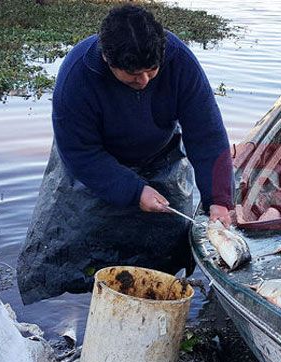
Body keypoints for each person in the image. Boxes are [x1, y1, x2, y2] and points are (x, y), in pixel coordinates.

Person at [16, 4, 233, 304]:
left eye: (151, 71)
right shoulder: (77, 75)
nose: (143, 81)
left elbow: (207, 136)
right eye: (132, 76)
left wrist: (219, 200)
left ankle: (153, 297)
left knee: (167, 243)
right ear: (107, 59)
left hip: (159, 157)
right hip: (93, 163)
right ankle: (80, 306)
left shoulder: (180, 61)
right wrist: (133, 190)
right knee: (74, 249)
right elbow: (81, 153)